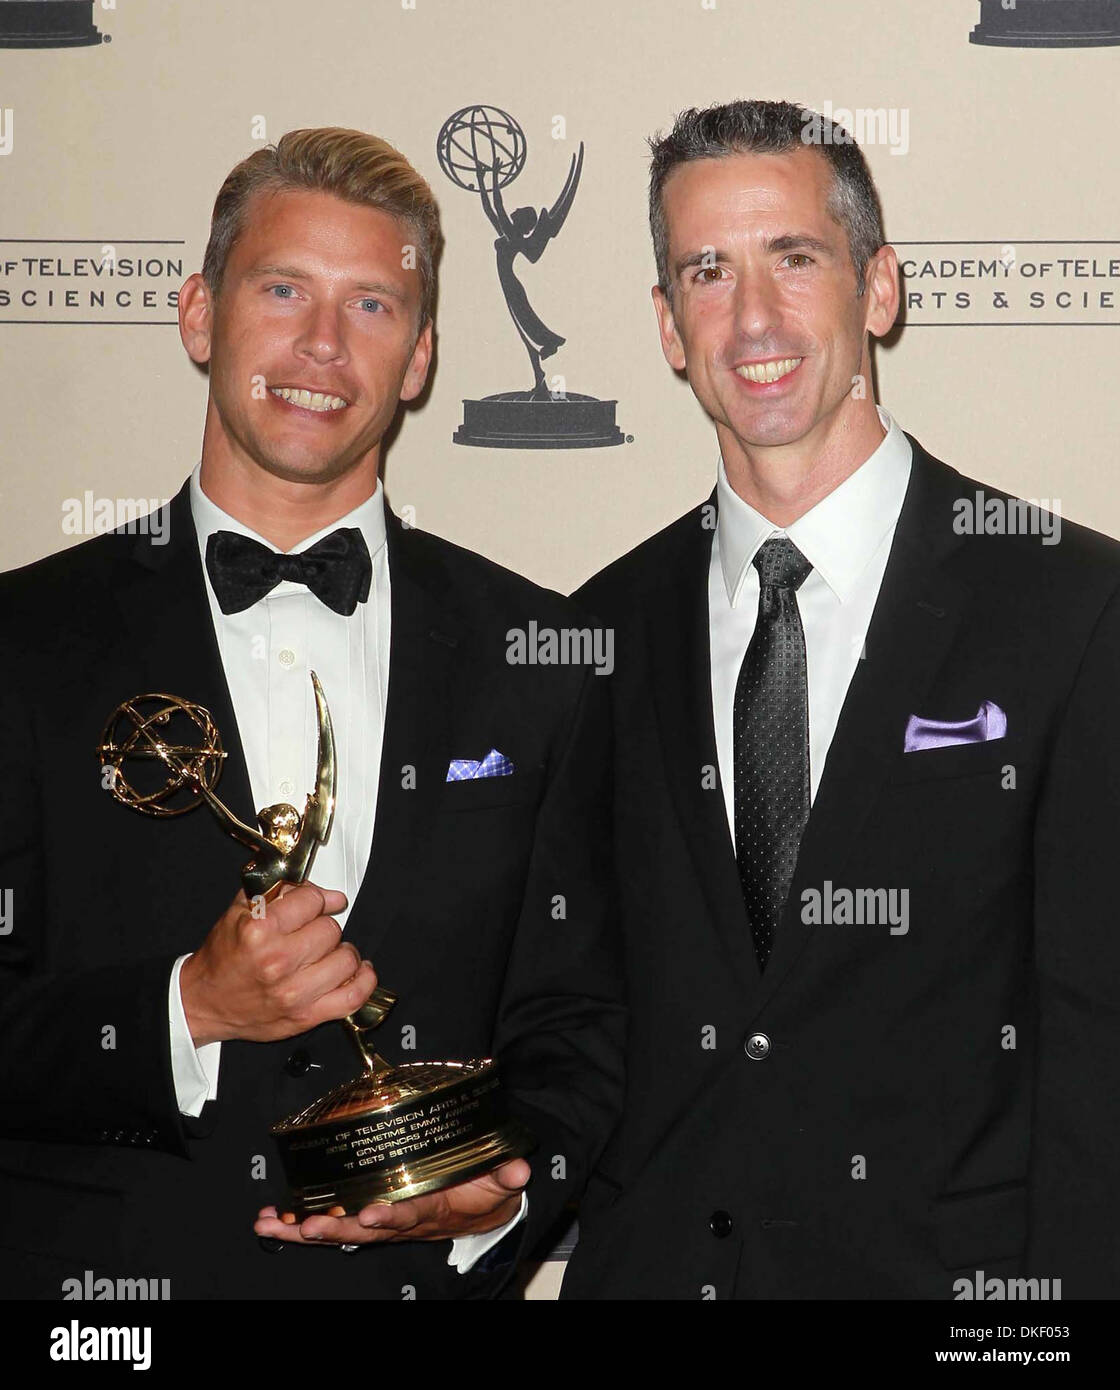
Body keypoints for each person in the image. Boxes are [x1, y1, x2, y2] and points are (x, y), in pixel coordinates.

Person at [0, 127, 623, 1300]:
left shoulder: (537, 652)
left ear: (423, 356)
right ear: (198, 315)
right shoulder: (24, 642)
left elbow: (581, 1015)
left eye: (373, 305)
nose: (322, 346)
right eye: (282, 289)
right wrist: (189, 1006)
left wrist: (502, 1190)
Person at [561, 99, 1120, 1300]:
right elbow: (576, 1018)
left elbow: (1097, 1046)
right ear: (667, 327)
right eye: (706, 271)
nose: (752, 317)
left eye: (793, 259)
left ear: (879, 290)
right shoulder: (592, 635)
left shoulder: (1072, 608)